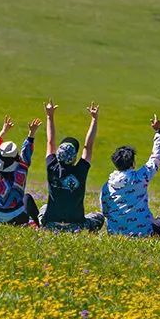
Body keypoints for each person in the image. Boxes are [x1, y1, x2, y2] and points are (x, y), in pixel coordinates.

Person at [39, 99, 105, 233]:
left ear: (57, 154)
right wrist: (94, 119)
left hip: (51, 224)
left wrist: (49, 116)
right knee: (98, 217)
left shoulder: (51, 166)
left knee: (43, 208)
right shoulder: (81, 170)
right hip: (76, 226)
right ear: (75, 157)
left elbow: (50, 141)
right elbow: (88, 146)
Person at [100, 114, 160, 237]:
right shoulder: (141, 177)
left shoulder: (106, 187)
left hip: (115, 234)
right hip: (143, 233)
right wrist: (159, 132)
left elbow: (105, 211)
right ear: (133, 163)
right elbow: (156, 157)